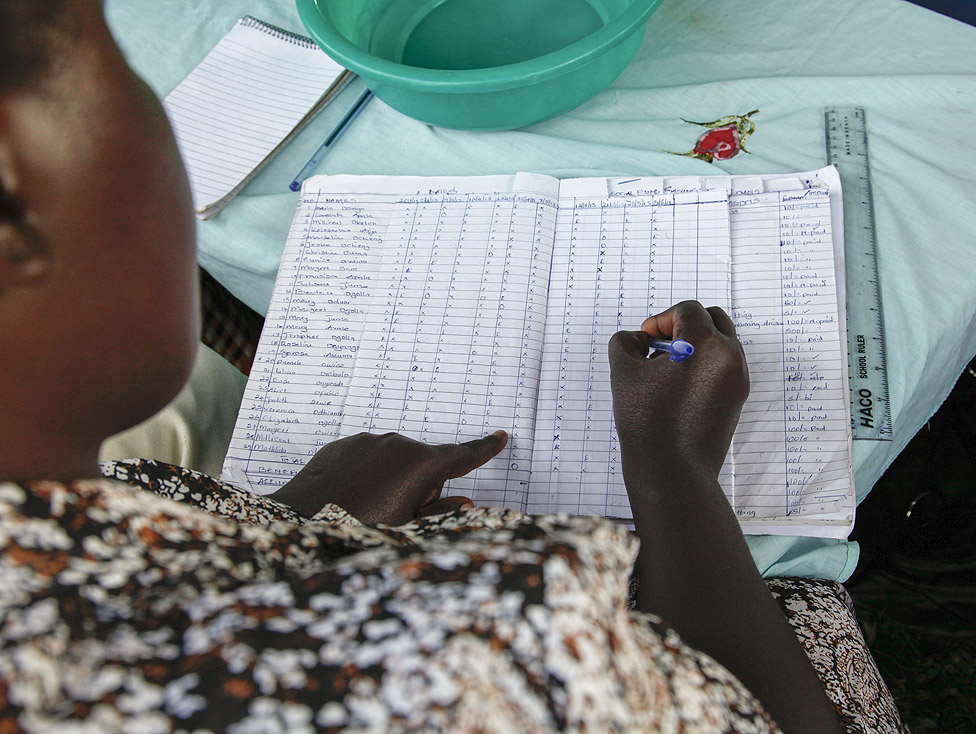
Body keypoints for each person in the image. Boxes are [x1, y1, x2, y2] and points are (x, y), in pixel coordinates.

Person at [0, 1, 906, 732]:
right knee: (796, 589)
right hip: (703, 653)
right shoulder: (460, 655)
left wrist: (296, 522)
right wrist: (673, 465)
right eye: (118, 61)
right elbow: (772, 720)